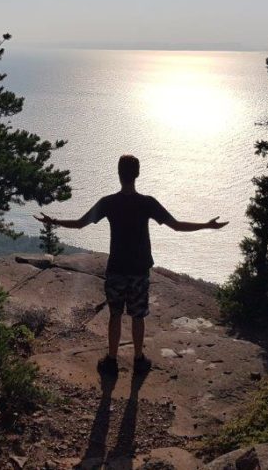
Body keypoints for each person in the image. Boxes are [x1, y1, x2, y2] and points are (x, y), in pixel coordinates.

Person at [34, 154, 228, 376]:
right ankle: (138, 359)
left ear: (118, 174)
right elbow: (176, 226)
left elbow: (80, 224)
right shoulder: (147, 203)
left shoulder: (108, 202)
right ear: (137, 174)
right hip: (139, 270)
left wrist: (54, 221)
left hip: (116, 268)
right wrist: (206, 225)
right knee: (138, 316)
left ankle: (111, 360)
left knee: (115, 315)